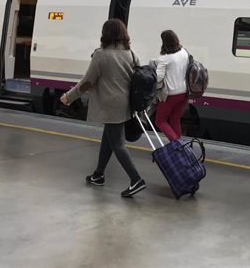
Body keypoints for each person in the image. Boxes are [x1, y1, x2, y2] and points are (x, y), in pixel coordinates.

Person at [59, 19, 145, 198]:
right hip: (125, 104)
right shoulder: (131, 53)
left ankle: (136, 179)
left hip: (111, 105)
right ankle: (98, 174)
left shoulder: (101, 55)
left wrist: (69, 97)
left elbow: (87, 82)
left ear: (105, 34)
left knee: (118, 144)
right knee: (109, 138)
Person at [154, 30, 190, 142]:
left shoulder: (164, 59)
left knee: (160, 121)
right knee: (175, 119)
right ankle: (179, 148)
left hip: (171, 95)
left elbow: (158, 78)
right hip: (184, 93)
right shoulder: (184, 52)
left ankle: (177, 145)